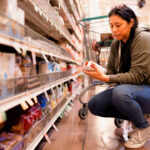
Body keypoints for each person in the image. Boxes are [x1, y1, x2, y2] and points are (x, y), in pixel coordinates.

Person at [83, 4, 150, 149]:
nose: (113, 30)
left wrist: (106, 78)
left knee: (120, 93)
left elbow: (138, 76)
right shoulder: (116, 44)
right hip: (134, 91)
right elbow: (112, 72)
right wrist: (99, 70)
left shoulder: (143, 38)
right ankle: (138, 117)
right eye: (111, 25)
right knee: (95, 105)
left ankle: (143, 127)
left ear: (131, 22)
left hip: (147, 89)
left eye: (118, 25)